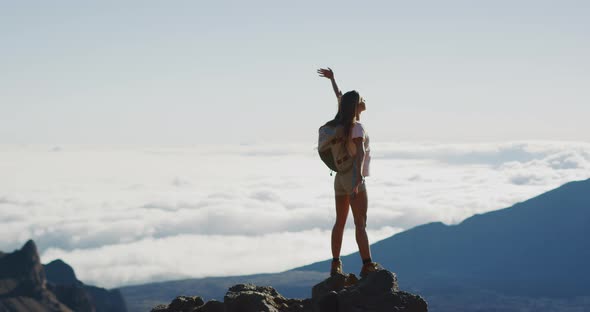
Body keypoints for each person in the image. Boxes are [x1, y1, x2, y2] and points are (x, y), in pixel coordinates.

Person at [317, 68, 379, 278]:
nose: (364, 100)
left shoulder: (341, 125)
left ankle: (336, 264)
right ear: (357, 105)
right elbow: (360, 153)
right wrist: (358, 178)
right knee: (360, 223)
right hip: (353, 176)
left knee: (340, 222)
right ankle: (367, 264)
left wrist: (333, 80)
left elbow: (340, 97)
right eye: (362, 99)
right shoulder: (357, 128)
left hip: (339, 178)